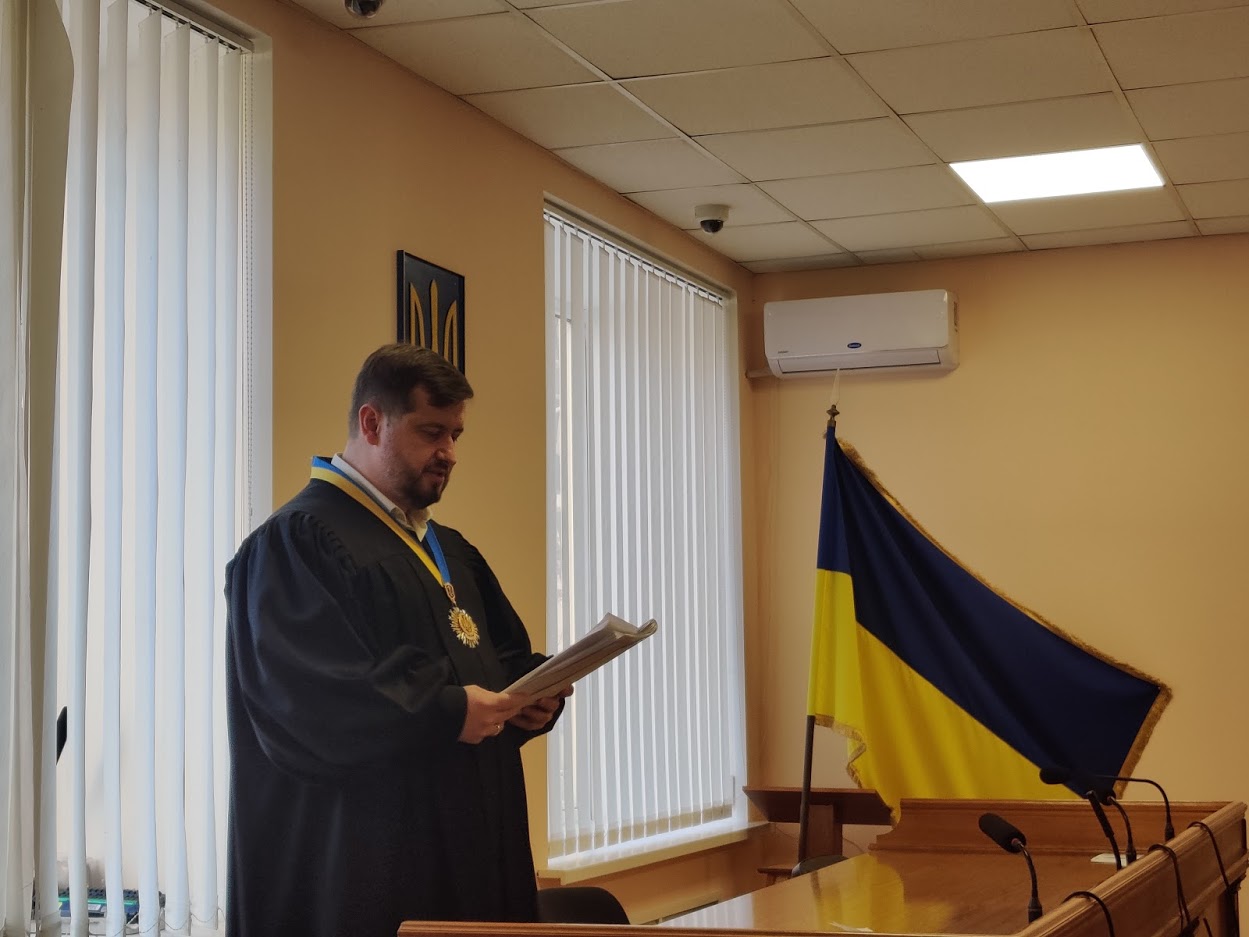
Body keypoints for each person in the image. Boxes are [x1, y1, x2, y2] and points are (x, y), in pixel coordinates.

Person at [225, 344, 569, 937]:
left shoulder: (450, 549)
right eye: (431, 432)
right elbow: (311, 705)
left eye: (456, 434)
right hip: (364, 865)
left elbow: (496, 661)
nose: (450, 452)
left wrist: (528, 700)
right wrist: (450, 710)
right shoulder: (295, 544)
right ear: (371, 423)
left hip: (471, 848)